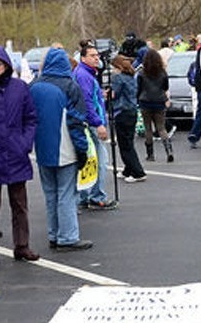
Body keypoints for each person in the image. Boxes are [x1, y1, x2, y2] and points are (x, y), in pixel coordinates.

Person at [0, 46, 40, 270]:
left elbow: (31, 119)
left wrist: (24, 144)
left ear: (6, 64)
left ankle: (22, 245)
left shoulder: (20, 88)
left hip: (15, 153)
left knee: (20, 204)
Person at [30, 48, 94, 252]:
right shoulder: (69, 86)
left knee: (50, 194)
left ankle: (54, 234)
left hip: (41, 148)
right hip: (65, 147)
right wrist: (82, 150)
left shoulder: (34, 86)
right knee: (66, 193)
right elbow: (76, 122)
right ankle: (67, 236)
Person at [72, 43, 116, 210]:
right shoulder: (84, 75)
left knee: (89, 160)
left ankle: (85, 196)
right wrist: (98, 124)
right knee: (100, 161)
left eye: (97, 55)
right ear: (83, 58)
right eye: (92, 55)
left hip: (87, 122)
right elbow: (87, 102)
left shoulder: (86, 74)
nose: (96, 58)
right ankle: (96, 196)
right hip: (90, 124)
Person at [110, 55, 145, 182]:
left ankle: (137, 172)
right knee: (129, 141)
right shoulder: (131, 76)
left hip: (122, 111)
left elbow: (115, 94)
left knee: (125, 144)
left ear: (118, 67)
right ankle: (128, 169)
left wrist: (106, 94)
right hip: (131, 110)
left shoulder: (117, 78)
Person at [137, 48, 174, 162]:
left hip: (145, 101)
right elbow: (165, 87)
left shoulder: (142, 73)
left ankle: (150, 154)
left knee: (148, 128)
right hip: (159, 101)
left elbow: (139, 88)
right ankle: (169, 151)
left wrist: (138, 98)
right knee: (161, 128)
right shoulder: (162, 72)